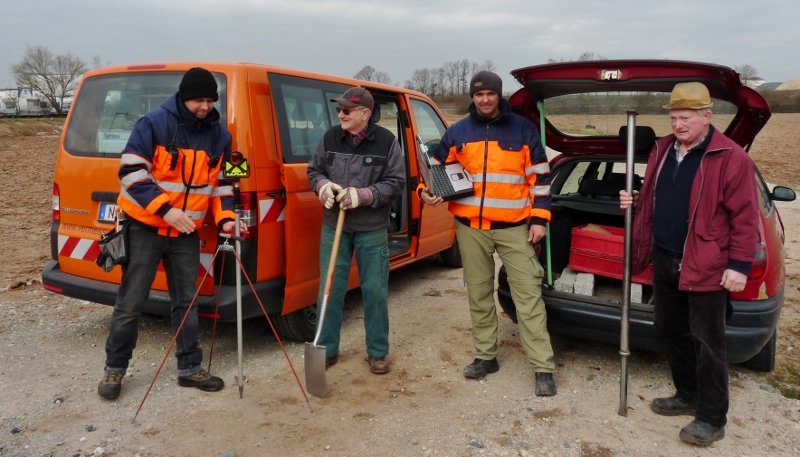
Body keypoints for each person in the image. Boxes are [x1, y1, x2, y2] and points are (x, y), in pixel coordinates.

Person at [619, 82, 759, 445]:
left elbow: (745, 218)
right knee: (669, 328)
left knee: (708, 341)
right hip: (666, 256)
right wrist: (635, 199)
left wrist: (739, 265)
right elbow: (656, 194)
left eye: (685, 118)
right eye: (674, 117)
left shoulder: (730, 157)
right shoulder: (664, 150)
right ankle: (687, 394)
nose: (678, 124)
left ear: (707, 117)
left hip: (708, 263)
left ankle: (712, 417)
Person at [98, 67, 246, 400]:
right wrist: (166, 210)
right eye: (198, 99)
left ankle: (190, 369)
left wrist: (224, 220)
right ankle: (114, 369)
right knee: (131, 302)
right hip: (145, 228)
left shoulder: (219, 136)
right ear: (182, 96)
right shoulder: (152, 124)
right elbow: (131, 172)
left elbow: (221, 185)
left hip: (186, 234)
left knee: (187, 303)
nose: (205, 106)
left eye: (210, 100)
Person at [419, 71, 557, 396]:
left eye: (490, 95)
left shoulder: (523, 130)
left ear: (498, 96)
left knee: (528, 298)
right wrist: (426, 191)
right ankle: (486, 356)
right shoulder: (458, 132)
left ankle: (542, 367)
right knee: (478, 294)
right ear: (472, 97)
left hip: (514, 229)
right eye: (478, 95)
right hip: (470, 230)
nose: (484, 100)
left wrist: (539, 220)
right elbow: (436, 169)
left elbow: (541, 179)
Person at [307, 87, 405, 374]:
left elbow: (396, 182)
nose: (341, 114)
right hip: (333, 226)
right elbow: (314, 171)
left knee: (374, 291)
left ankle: (377, 352)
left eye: (347, 110)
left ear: (365, 113)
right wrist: (322, 186)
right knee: (330, 288)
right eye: (340, 109)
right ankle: (326, 349)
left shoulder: (387, 142)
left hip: (371, 230)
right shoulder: (330, 138)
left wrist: (364, 195)